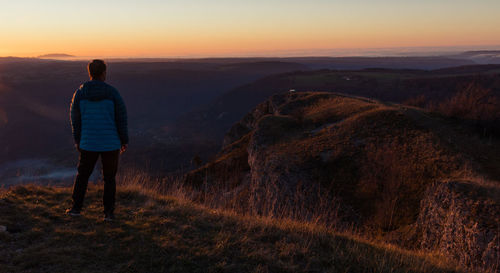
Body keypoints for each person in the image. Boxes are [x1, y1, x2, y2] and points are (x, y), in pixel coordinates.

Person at [66, 59, 128, 221]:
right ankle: (108, 213)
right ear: (103, 73)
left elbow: (75, 119)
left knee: (83, 175)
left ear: (90, 73)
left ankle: (76, 209)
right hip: (110, 143)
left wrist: (78, 139)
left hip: (88, 142)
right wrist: (124, 140)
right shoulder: (113, 93)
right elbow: (121, 118)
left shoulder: (80, 93)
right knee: (109, 179)